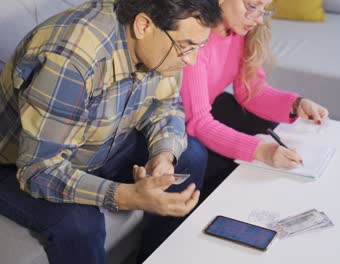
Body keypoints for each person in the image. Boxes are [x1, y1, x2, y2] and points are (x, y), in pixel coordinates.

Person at [0, 0, 222, 263]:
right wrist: (126, 196)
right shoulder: (72, 59)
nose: (192, 60)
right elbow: (39, 169)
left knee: (190, 155)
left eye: (198, 46)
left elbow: (165, 105)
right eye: (186, 46)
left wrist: (162, 156)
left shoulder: (161, 44)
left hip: (98, 143)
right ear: (143, 25)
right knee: (81, 224)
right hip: (19, 163)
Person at [180, 0, 330, 196]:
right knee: (203, 155)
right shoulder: (195, 37)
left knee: (265, 123)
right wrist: (261, 151)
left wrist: (296, 104)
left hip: (201, 110)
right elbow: (198, 122)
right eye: (252, 6)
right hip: (172, 124)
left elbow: (249, 90)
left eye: (264, 9)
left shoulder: (238, 31)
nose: (259, 19)